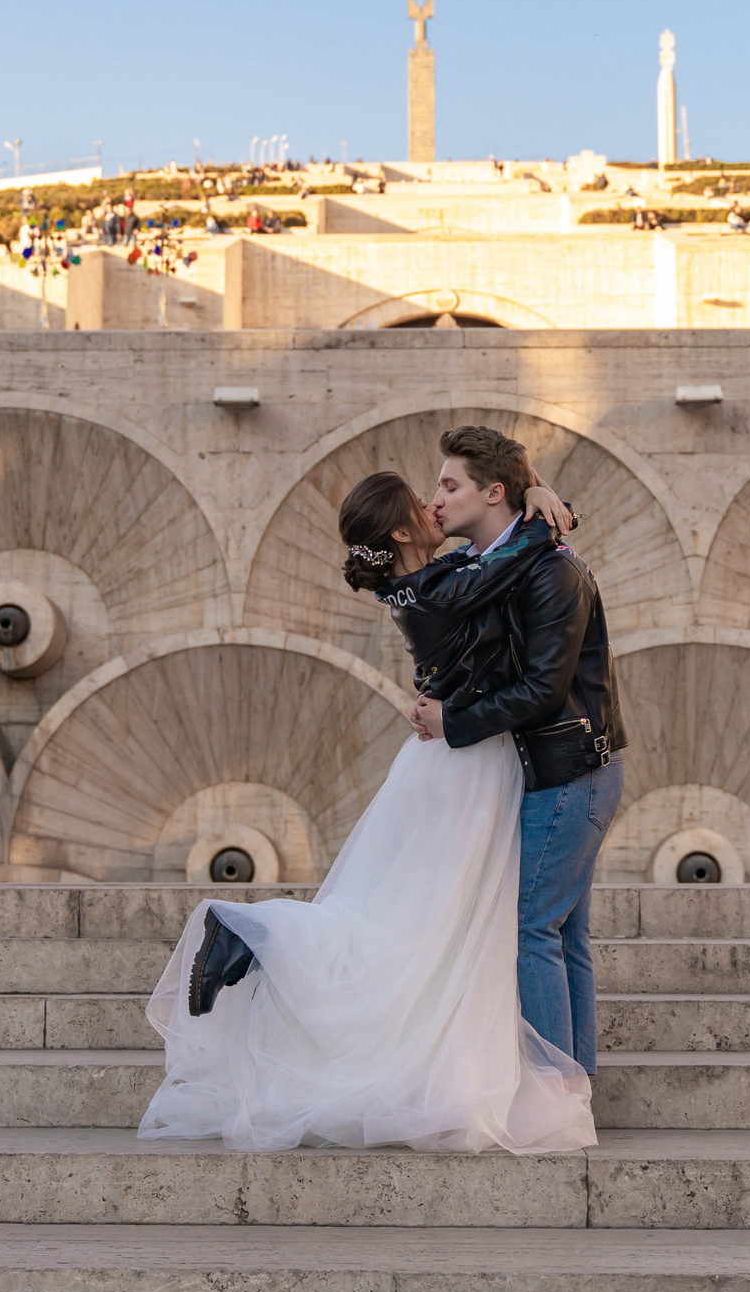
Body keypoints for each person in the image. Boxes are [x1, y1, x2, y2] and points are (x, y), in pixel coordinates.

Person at [142, 466, 592, 1155]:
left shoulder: (428, 579)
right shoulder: (432, 586)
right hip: (462, 764)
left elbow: (496, 557)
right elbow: (512, 562)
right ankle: (252, 930)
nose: (437, 504)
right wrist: (541, 508)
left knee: (416, 918)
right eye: (424, 501)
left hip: (453, 759)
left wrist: (530, 486)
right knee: (416, 926)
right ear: (403, 528)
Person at [407, 426, 626, 1079]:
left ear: (493, 492)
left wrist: (453, 720)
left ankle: (555, 1094)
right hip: (568, 769)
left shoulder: (551, 570)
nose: (437, 498)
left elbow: (542, 689)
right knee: (562, 935)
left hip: (571, 770)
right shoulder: (513, 563)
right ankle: (572, 1092)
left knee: (533, 930)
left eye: (450, 485)